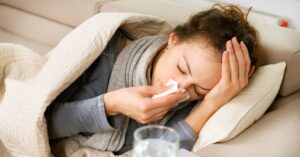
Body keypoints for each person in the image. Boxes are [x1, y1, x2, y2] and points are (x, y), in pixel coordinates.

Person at [45, 4, 259, 155]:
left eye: (199, 89)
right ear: (173, 40)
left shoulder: (191, 103)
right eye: (181, 69)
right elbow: (41, 122)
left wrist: (210, 103)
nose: (180, 89)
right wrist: (112, 104)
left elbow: (159, 152)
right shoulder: (103, 53)